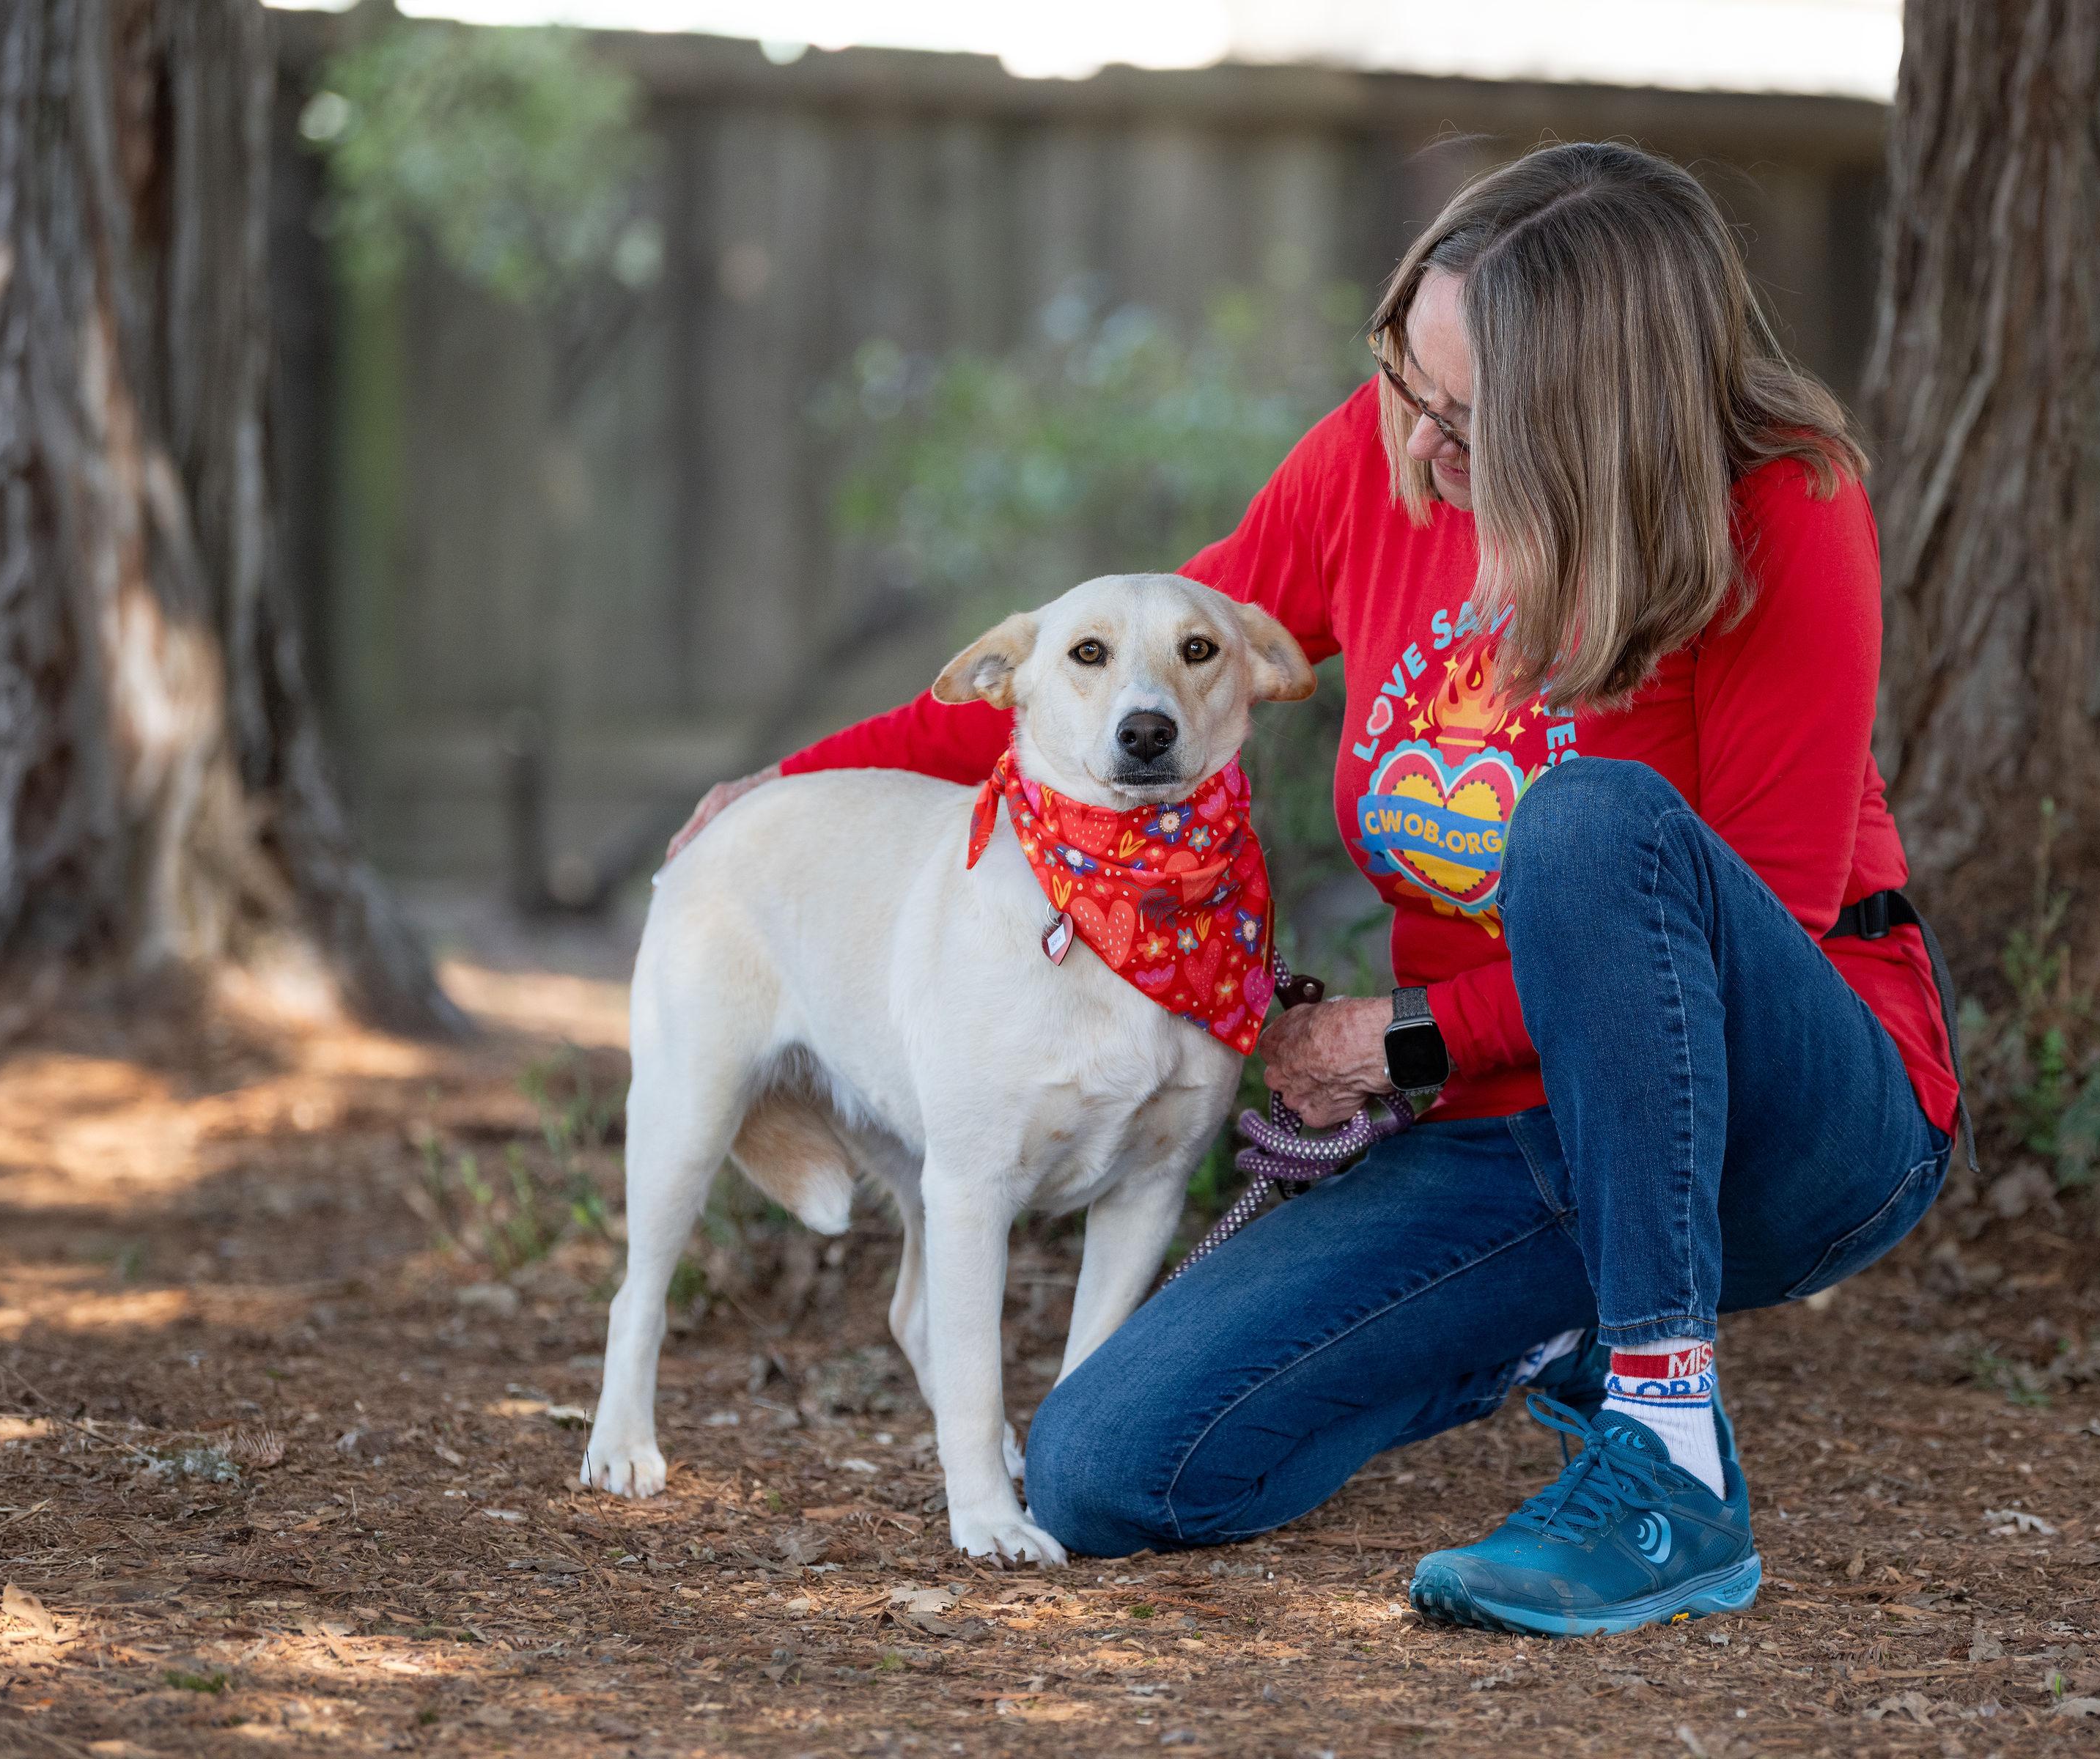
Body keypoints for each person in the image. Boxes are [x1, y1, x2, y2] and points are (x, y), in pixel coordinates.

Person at [665, 141, 1961, 1637]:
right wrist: (794, 785)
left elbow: (1755, 943)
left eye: (1467, 420)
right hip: (1518, 1137)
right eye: (1403, 383)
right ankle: (1554, 1324)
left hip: (1797, 1120)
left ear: (1595, 419)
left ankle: (1667, 1460)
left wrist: (1397, 1043)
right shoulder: (1382, 459)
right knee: (1103, 1470)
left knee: (1591, 824)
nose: (1416, 446)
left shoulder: (1783, 513)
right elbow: (1123, 661)